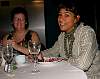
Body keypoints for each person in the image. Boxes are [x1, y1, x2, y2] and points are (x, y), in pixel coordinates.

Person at [39, 3, 100, 79]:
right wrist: (39, 54)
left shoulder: (87, 32)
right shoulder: (62, 35)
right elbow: (53, 51)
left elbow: (83, 64)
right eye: (60, 15)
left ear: (76, 19)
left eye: (66, 15)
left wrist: (64, 60)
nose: (61, 19)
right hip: (70, 74)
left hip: (90, 76)